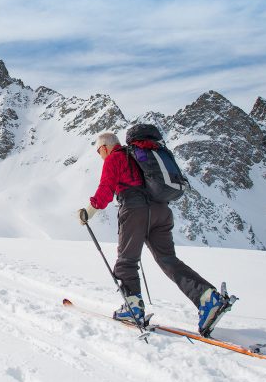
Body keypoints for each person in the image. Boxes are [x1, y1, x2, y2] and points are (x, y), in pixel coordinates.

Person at [78, 131, 227, 334]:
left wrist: (88, 211)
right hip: (161, 211)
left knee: (126, 261)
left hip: (135, 211)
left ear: (105, 147)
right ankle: (208, 298)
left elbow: (105, 191)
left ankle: (133, 308)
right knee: (168, 260)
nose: (100, 155)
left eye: (98, 151)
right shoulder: (140, 156)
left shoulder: (115, 158)